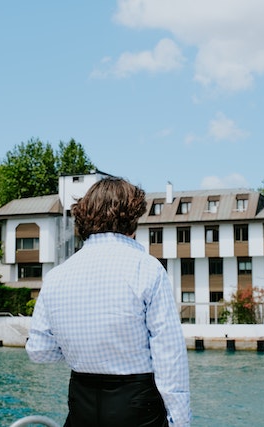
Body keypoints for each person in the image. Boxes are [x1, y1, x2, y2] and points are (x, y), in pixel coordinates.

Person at [26, 176, 191, 427]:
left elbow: (39, 351)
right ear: (133, 219)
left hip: (81, 403)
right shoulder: (148, 269)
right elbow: (169, 356)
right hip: (137, 405)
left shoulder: (56, 275)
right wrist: (180, 421)